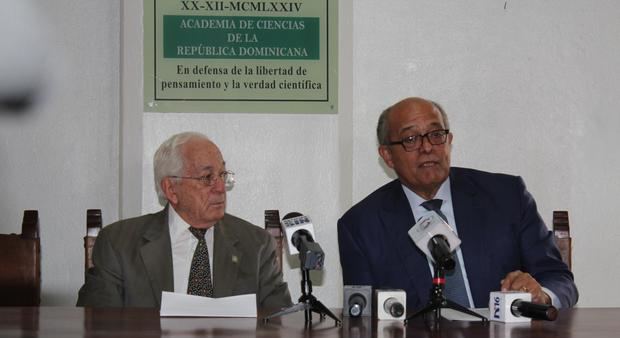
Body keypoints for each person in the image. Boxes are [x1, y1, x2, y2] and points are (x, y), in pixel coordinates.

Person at [337, 97, 578, 311]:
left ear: (449, 141)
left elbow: (559, 278)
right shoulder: (361, 226)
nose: (427, 147)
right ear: (387, 156)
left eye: (436, 134)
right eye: (410, 139)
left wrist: (541, 296)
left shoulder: (507, 197)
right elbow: (362, 318)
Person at [77, 132, 292, 311]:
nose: (220, 188)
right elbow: (97, 328)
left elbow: (280, 326)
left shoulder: (255, 245)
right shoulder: (119, 244)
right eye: (207, 178)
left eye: (222, 174)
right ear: (171, 189)